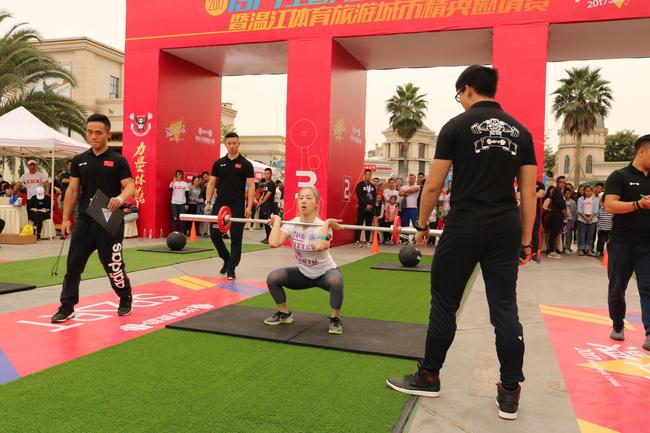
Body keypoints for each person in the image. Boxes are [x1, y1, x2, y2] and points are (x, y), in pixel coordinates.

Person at [386, 65, 537, 421]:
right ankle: (510, 391)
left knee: (444, 304)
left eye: (459, 95)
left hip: (465, 225)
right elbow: (528, 192)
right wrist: (527, 242)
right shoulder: (522, 132)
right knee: (505, 310)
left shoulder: (456, 126)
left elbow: (434, 185)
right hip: (505, 229)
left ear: (467, 89)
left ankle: (428, 375)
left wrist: (422, 225)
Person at [51, 113, 135, 323]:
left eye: (98, 133)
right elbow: (72, 191)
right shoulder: (80, 160)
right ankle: (67, 306)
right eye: (90, 132)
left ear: (108, 133)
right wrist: (66, 218)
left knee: (113, 266)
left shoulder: (118, 160)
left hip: (108, 217)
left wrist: (120, 197)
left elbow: (130, 186)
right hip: (86, 218)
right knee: (74, 265)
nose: (93, 136)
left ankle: (125, 298)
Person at [264, 187, 345, 334]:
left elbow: (320, 246)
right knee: (273, 278)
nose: (304, 201)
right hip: (303, 273)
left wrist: (326, 223)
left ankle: (335, 319)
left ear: (316, 203)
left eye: (308, 198)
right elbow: (274, 243)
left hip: (325, 273)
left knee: (336, 281)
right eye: (301, 198)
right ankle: (284, 314)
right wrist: (277, 221)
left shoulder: (322, 226)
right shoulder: (292, 224)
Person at [603, 134, 650, 350]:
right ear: (642, 151)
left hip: (647, 246)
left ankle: (649, 333)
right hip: (622, 243)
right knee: (617, 288)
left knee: (648, 288)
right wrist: (638, 205)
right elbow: (610, 205)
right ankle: (617, 325)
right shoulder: (619, 176)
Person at [204, 132, 255, 280]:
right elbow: (212, 183)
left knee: (236, 238)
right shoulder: (219, 163)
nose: (232, 146)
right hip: (220, 204)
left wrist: (249, 207)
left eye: (234, 143)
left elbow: (251, 186)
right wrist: (208, 202)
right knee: (214, 234)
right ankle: (226, 258)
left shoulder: (246, 164)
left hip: (238, 205)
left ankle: (231, 268)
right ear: (225, 144)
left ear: (239, 144)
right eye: (229, 143)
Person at [354, 168, 376, 247]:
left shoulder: (373, 186)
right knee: (359, 223)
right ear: (364, 175)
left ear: (371, 176)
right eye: (366, 174)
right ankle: (357, 240)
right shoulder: (360, 185)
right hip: (362, 208)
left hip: (370, 209)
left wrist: (370, 205)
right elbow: (359, 197)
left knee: (369, 224)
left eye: (369, 175)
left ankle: (367, 241)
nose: (368, 176)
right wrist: (366, 205)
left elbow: (374, 197)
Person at [547, 176, 567, 258]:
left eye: (564, 182)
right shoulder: (556, 191)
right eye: (561, 182)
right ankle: (551, 251)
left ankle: (553, 249)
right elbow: (559, 203)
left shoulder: (560, 191)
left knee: (556, 233)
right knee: (553, 233)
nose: (562, 184)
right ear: (557, 183)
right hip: (556, 215)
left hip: (559, 215)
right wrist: (564, 212)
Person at [576, 185, 599, 256]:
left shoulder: (595, 199)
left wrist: (590, 218)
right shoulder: (580, 199)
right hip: (582, 219)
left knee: (590, 235)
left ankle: (589, 250)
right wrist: (586, 218)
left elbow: (596, 210)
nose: (588, 192)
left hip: (592, 220)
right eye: (586, 191)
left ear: (592, 191)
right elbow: (579, 210)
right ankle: (580, 250)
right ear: (584, 191)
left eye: (589, 191)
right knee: (582, 235)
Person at [258, 168, 277, 244]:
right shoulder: (266, 183)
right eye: (265, 174)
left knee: (267, 222)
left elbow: (268, 195)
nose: (266, 175)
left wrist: (261, 202)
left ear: (271, 174)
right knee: (265, 222)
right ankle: (267, 237)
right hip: (264, 205)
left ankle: (269, 238)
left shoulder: (272, 184)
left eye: (268, 174)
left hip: (268, 205)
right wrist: (260, 199)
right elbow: (264, 194)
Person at [169, 169, 189, 234]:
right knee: (175, 218)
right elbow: (169, 190)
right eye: (177, 174)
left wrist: (186, 204)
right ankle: (174, 233)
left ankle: (182, 233)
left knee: (182, 219)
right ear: (176, 175)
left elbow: (187, 195)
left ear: (182, 175)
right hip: (174, 203)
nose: (179, 175)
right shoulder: (173, 183)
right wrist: (173, 182)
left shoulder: (185, 184)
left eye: (180, 174)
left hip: (182, 203)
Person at [563, 188, 577, 254]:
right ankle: (562, 247)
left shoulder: (573, 202)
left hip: (570, 219)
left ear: (571, 194)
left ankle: (567, 248)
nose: (567, 195)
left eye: (569, 193)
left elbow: (574, 212)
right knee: (562, 234)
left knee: (568, 234)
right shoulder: (562, 200)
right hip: (563, 219)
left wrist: (573, 221)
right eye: (566, 193)